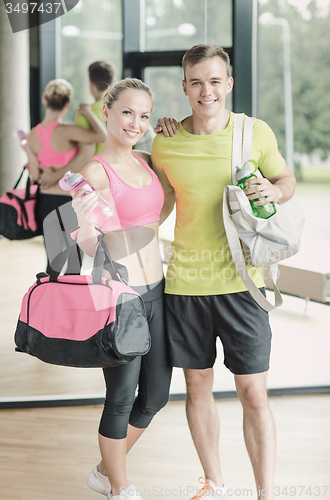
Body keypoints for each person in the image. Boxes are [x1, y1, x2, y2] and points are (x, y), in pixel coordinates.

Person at [151, 44, 296, 500]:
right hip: (185, 283)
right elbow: (161, 202)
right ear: (185, 87)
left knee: (253, 392)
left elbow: (286, 181)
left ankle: (265, 495)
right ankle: (214, 485)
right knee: (197, 386)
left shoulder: (255, 133)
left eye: (215, 81)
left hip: (242, 284)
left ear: (228, 84)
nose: (206, 91)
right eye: (196, 82)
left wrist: (271, 190)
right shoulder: (166, 141)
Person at [70, 77, 172, 500]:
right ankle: (119, 486)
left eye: (144, 115)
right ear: (107, 111)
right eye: (127, 112)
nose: (136, 122)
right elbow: (88, 248)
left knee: (156, 396)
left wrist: (171, 130)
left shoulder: (148, 160)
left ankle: (102, 470)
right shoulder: (94, 173)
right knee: (120, 397)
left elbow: (159, 208)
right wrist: (84, 217)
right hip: (120, 298)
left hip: (158, 290)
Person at [26, 78, 106, 275]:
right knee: (74, 260)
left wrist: (29, 151)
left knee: (52, 259)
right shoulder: (66, 131)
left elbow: (35, 174)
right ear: (67, 104)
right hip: (67, 201)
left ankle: (49, 298)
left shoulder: (32, 135)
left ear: (44, 99)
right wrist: (87, 111)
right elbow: (102, 136)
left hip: (44, 200)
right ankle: (70, 301)